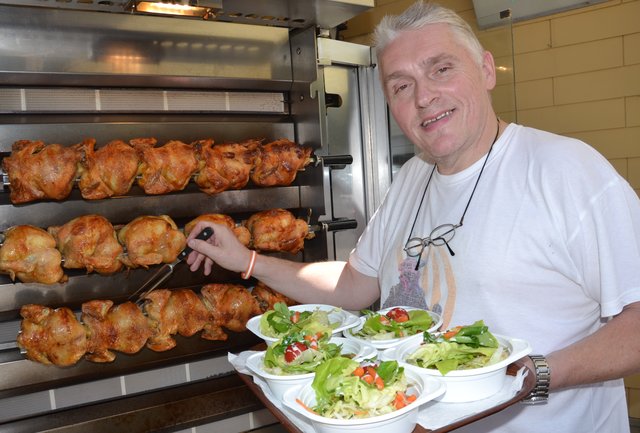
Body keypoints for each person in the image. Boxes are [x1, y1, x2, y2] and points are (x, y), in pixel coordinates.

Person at [185, 1, 640, 432]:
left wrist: (534, 374)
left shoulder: (565, 170)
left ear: (485, 70)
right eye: (401, 86)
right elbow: (352, 286)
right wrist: (247, 261)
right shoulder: (411, 179)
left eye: (441, 69)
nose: (424, 97)